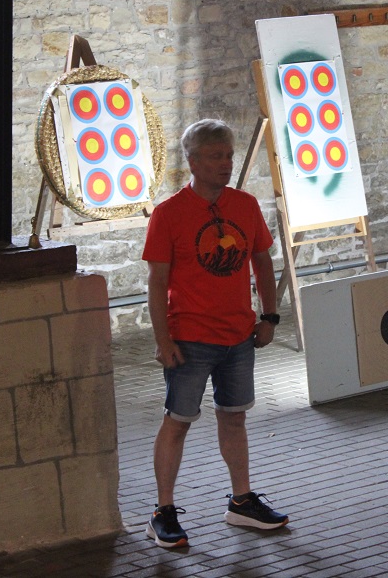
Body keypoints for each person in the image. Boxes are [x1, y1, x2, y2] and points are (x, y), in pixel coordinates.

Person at [141, 119, 288, 548]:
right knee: (178, 422)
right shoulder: (169, 214)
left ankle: (241, 501)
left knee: (234, 417)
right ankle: (162, 511)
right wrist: (163, 340)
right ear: (192, 161)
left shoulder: (245, 205)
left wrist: (269, 316)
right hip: (189, 339)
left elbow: (262, 261)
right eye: (215, 157)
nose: (225, 164)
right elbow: (157, 282)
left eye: (228, 155)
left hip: (239, 337)